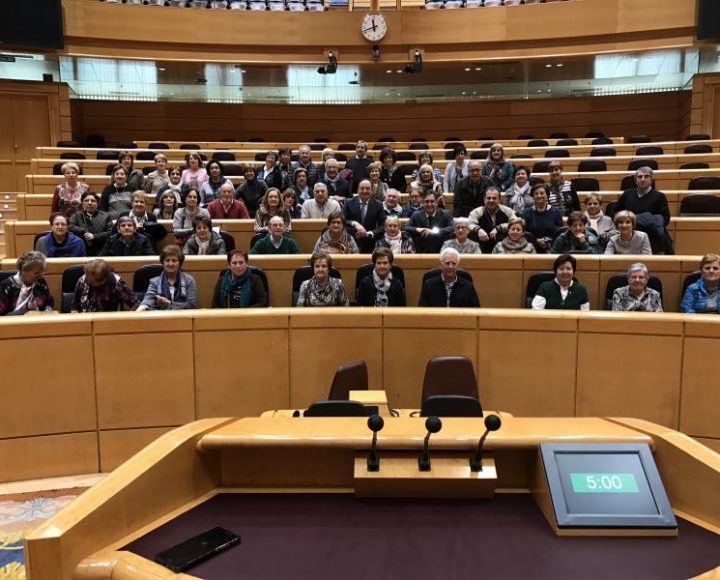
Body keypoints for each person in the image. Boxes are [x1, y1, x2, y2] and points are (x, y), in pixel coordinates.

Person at [613, 166, 672, 254]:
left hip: (653, 239)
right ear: (635, 180)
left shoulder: (659, 196)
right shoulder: (627, 194)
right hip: (630, 237)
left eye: (646, 176)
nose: (643, 179)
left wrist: (645, 220)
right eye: (640, 177)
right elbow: (615, 211)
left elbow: (665, 219)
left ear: (651, 180)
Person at [137, 245, 198, 311]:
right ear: (163, 263)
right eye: (167, 260)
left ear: (180, 263)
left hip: (183, 318)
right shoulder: (155, 281)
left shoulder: (189, 280)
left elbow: (191, 305)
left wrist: (169, 303)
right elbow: (148, 299)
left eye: (174, 260)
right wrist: (139, 310)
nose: (170, 264)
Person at [72, 259, 138, 312]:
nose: (86, 280)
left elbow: (135, 304)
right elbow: (74, 307)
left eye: (90, 280)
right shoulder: (83, 279)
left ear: (103, 281)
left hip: (109, 321)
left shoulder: (116, 282)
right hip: (85, 320)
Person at [0, 251, 54, 316]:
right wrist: (25, 310)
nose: (40, 276)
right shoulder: (6, 286)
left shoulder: (40, 282)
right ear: (23, 271)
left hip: (39, 321)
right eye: (36, 273)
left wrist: (47, 310)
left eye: (41, 273)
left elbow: (49, 301)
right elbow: (2, 315)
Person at [468, 186, 516, 253]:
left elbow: (516, 224)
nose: (491, 200)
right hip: (482, 245)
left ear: (499, 200)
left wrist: (499, 228)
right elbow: (469, 224)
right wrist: (478, 230)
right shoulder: (477, 212)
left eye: (494, 198)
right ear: (484, 200)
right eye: (488, 198)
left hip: (502, 247)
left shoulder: (507, 211)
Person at [343, 179, 387, 253]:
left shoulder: (378, 205)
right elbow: (342, 220)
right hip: (351, 242)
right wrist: (354, 223)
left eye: (367, 188)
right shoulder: (348, 203)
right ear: (357, 190)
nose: (364, 191)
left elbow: (383, 226)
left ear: (372, 191)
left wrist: (369, 234)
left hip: (371, 243)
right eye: (362, 188)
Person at [69, 191, 113, 255]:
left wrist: (94, 236)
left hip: (101, 249)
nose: (89, 203)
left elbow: (110, 233)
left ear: (97, 203)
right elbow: (70, 226)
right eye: (86, 201)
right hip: (83, 248)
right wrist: (84, 230)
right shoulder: (77, 215)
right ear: (82, 203)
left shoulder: (106, 216)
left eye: (93, 201)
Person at [521, 183, 563, 251]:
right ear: (533, 196)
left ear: (547, 195)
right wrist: (536, 240)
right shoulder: (526, 213)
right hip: (531, 248)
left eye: (542, 193)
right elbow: (524, 233)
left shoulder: (556, 212)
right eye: (536, 194)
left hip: (552, 247)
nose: (539, 195)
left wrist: (548, 241)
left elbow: (559, 233)